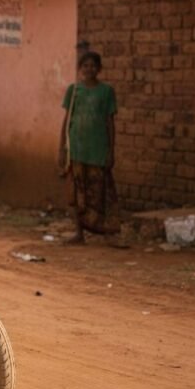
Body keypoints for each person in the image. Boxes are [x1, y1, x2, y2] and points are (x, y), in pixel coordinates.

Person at [57, 51, 126, 247]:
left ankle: (107, 234)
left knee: (100, 194)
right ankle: (79, 233)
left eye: (93, 66)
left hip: (97, 151)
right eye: (85, 66)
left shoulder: (106, 92)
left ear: (99, 69)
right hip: (76, 151)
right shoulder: (73, 91)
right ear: (80, 69)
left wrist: (111, 151)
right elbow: (67, 121)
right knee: (77, 194)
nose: (89, 69)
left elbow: (109, 123)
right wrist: (62, 148)